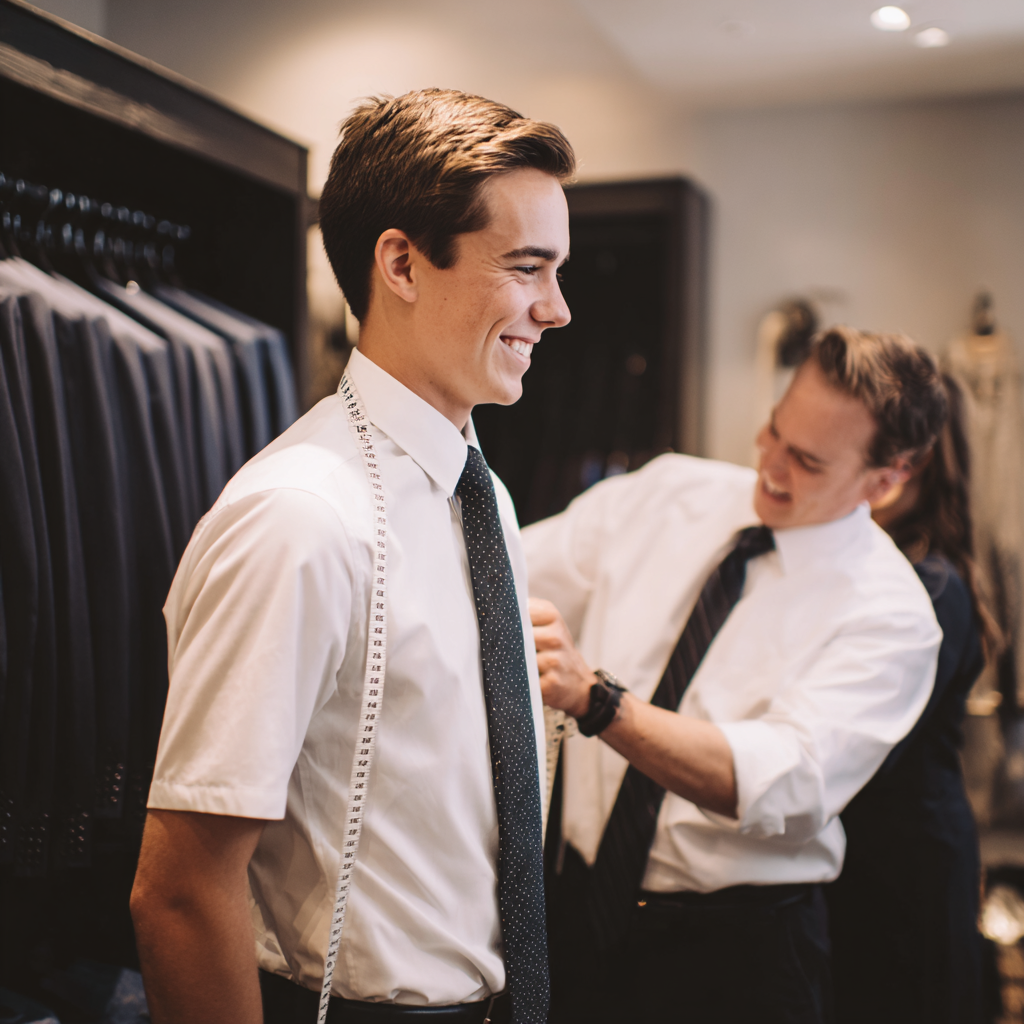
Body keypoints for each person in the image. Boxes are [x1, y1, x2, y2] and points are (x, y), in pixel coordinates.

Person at [129, 88, 574, 1024]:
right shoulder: (301, 518)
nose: (556, 308)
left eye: (556, 271)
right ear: (402, 263)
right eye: (527, 267)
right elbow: (181, 893)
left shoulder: (479, 492)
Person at [523, 326, 947, 1024]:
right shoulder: (667, 493)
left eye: (807, 460)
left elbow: (775, 780)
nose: (771, 467)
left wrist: (599, 702)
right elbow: (506, 573)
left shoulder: (892, 616)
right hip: (573, 911)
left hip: (732, 956)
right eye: (775, 431)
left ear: (887, 479)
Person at [826, 374, 998, 1024]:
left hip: (906, 859)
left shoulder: (930, 583)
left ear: (910, 463)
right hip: (875, 849)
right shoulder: (883, 558)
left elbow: (862, 745)